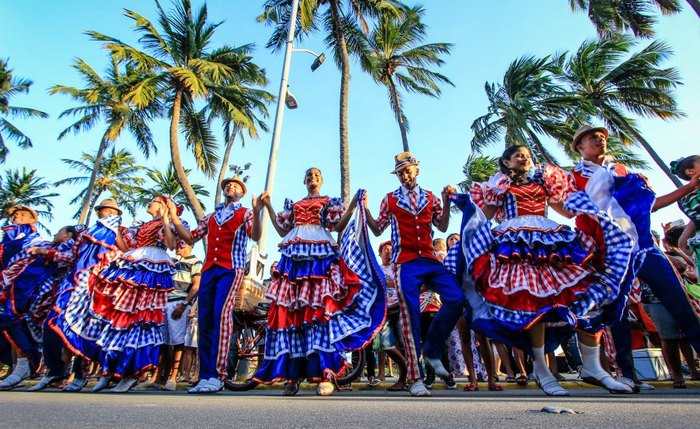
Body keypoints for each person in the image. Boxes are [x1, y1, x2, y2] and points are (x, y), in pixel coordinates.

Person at [460, 144, 633, 396]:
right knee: (532, 301)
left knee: (585, 292)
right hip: (515, 241)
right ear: (506, 162)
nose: (525, 159)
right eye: (519, 156)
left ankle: (593, 366)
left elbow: (565, 209)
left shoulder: (546, 181)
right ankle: (542, 370)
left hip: (551, 240)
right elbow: (482, 216)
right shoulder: (500, 186)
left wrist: (597, 210)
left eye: (528, 155)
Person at [570, 126, 700, 391]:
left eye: (602, 136)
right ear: (579, 147)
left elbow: (651, 204)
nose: (599, 139)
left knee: (681, 305)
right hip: (612, 252)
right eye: (591, 137)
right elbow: (574, 213)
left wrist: (689, 188)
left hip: (645, 247)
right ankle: (627, 374)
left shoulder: (624, 171)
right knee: (615, 313)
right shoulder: (574, 177)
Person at [254, 168, 385, 396]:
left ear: (321, 180)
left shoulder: (328, 202)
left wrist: (353, 204)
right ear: (304, 181)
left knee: (319, 314)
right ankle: (292, 376)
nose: (312, 177)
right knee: (291, 315)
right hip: (294, 259)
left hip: (320, 257)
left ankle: (325, 374)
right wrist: (268, 205)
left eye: (316, 175)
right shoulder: (294, 205)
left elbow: (338, 226)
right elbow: (281, 229)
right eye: (308, 175)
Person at [364, 152, 466, 397]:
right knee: (410, 317)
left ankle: (431, 349)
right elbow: (378, 229)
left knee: (456, 299)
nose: (404, 175)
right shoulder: (389, 199)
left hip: (430, 259)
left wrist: (446, 198)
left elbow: (441, 226)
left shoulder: (431, 197)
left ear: (416, 171)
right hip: (405, 262)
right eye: (400, 172)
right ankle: (415, 377)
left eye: (407, 170)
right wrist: (365, 208)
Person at [169, 176, 263, 394]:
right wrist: (173, 217)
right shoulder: (211, 217)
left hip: (231, 269)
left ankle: (218, 375)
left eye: (235, 185)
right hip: (209, 270)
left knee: (221, 317)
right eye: (227, 185)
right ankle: (205, 375)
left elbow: (255, 235)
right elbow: (191, 238)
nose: (230, 186)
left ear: (241, 192)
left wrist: (257, 212)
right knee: (205, 321)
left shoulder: (245, 213)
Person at [84, 196, 181, 393]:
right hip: (133, 264)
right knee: (120, 319)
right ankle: (109, 371)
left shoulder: (167, 223)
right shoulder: (140, 225)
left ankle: (130, 373)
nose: (150, 203)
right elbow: (125, 247)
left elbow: (171, 244)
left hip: (153, 267)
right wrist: (114, 228)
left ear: (163, 206)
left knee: (142, 320)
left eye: (154, 201)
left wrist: (165, 219)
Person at [41, 198, 123, 392]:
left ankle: (80, 374)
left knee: (87, 330)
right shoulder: (86, 234)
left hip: (101, 286)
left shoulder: (120, 233)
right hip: (76, 282)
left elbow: (126, 254)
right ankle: (55, 370)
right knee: (52, 322)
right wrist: (47, 252)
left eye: (112, 212)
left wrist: (115, 231)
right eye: (105, 210)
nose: (108, 214)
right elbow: (73, 257)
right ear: (98, 212)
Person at [0, 207, 77, 390]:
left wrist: (43, 252)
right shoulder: (11, 239)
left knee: (52, 333)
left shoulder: (38, 240)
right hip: (22, 290)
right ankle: (19, 368)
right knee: (14, 325)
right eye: (15, 215)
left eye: (22, 215)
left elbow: (69, 259)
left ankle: (55, 373)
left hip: (46, 294)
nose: (17, 217)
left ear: (67, 235)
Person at [376, 241, 408, 391]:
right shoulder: (377, 270)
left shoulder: (400, 268)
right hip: (385, 310)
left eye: (391, 250)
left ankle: (403, 379)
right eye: (385, 250)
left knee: (404, 344)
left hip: (401, 308)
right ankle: (409, 369)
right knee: (385, 344)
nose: (388, 252)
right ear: (380, 253)